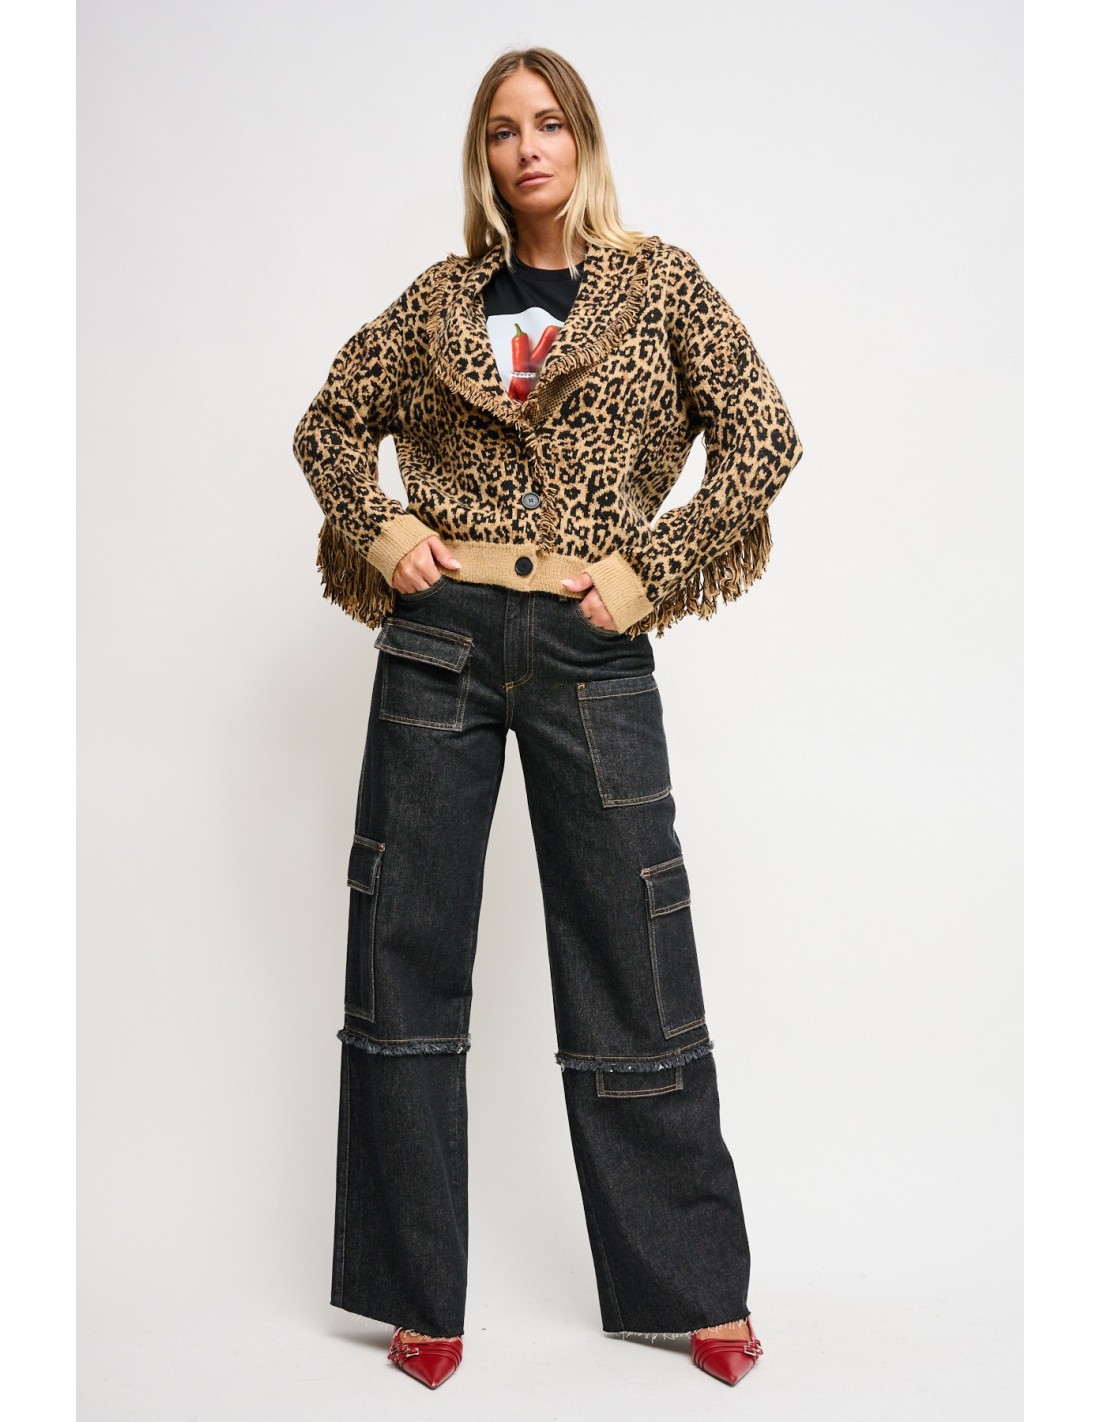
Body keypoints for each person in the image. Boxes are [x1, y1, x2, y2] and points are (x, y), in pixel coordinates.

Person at [292, 46, 803, 1391]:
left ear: (583, 140)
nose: (529, 148)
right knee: (405, 948)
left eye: (551, 123)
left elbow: (763, 438)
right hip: (442, 642)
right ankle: (415, 1293)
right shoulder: (439, 300)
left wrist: (650, 570)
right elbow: (329, 427)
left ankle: (690, 1286)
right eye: (505, 129)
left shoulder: (657, 284)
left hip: (588, 641)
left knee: (634, 947)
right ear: (484, 155)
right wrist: (386, 531)